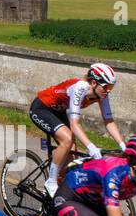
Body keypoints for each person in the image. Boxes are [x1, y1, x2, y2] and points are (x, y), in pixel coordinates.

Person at [30, 63, 125, 197]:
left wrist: (123, 146)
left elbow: (108, 121)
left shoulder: (101, 94)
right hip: (42, 108)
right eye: (106, 86)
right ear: (93, 83)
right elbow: (75, 124)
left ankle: (55, 194)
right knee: (67, 140)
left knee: (72, 158)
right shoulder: (80, 87)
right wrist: (91, 147)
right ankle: (50, 182)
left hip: (58, 111)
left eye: (111, 87)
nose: (108, 90)